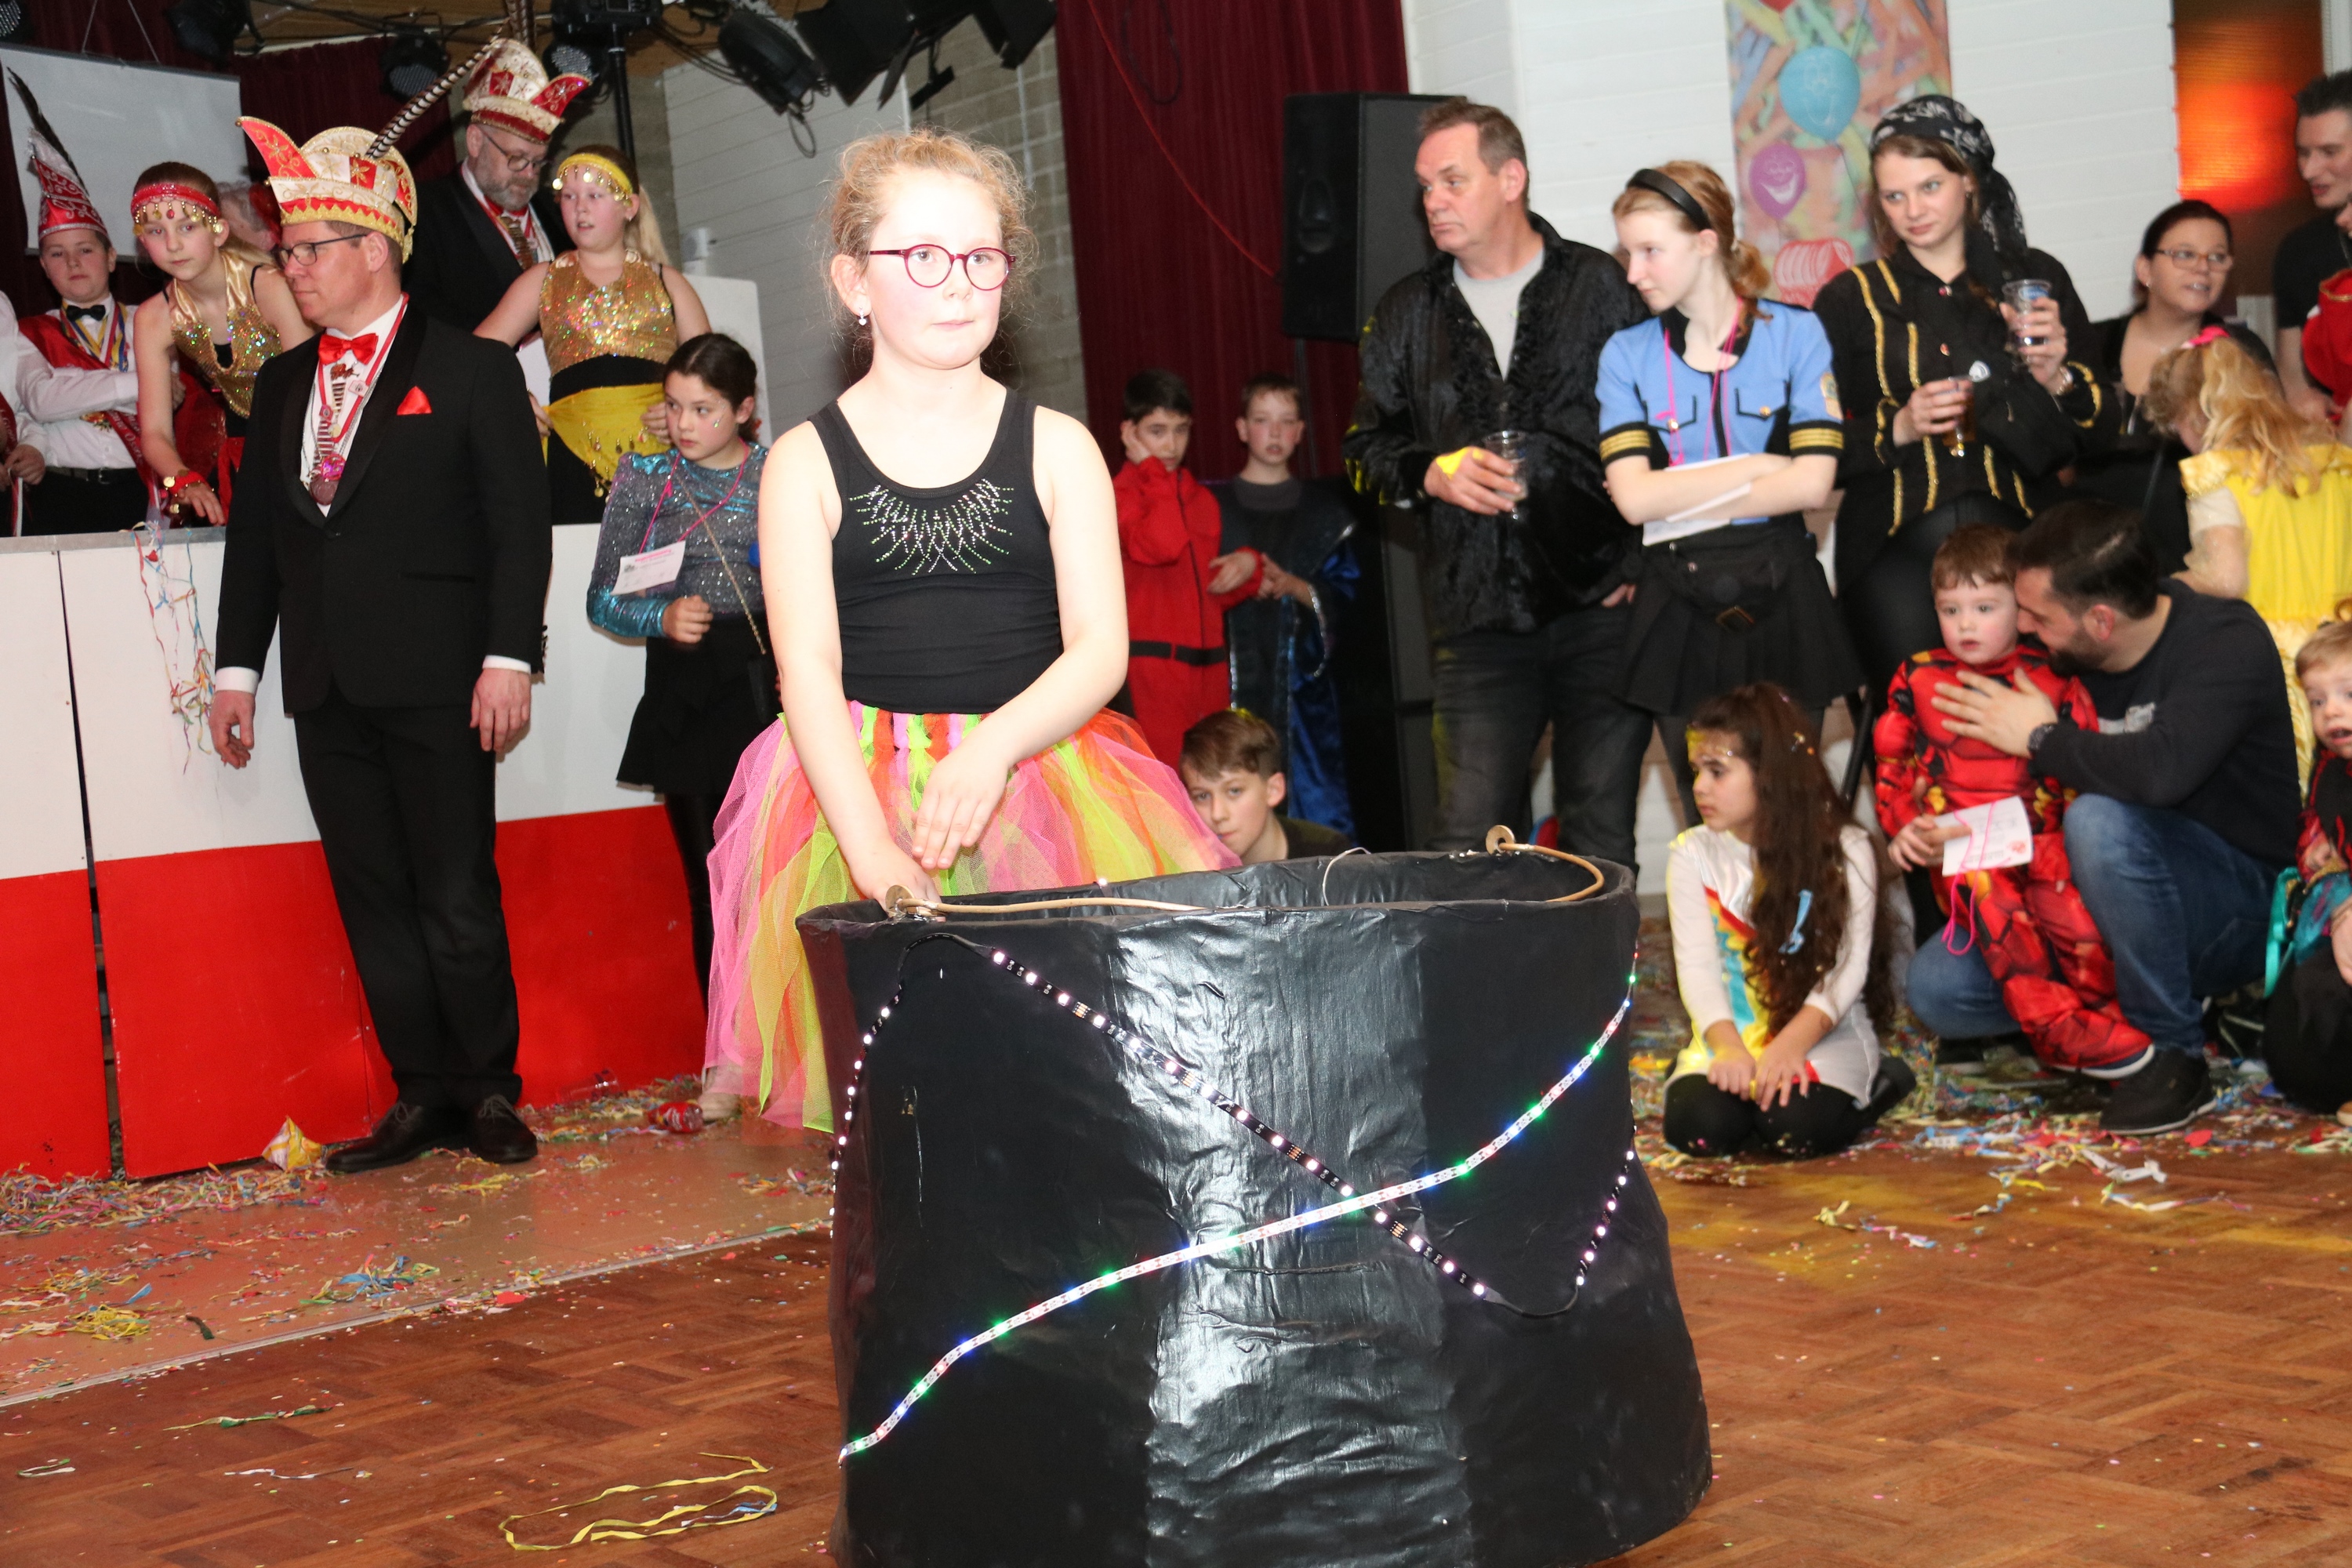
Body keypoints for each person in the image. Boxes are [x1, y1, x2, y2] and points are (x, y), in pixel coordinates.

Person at [700, 128, 1235, 1132]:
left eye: (982, 257)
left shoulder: (1059, 446)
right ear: (854, 281)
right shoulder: (804, 462)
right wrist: (868, 846)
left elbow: (1099, 648)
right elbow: (806, 668)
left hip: (1040, 777)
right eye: (924, 257)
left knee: (1063, 1084)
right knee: (915, 1103)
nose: (958, 284)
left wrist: (992, 748)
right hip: (859, 791)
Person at [209, 114, 553, 1173]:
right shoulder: (281, 384)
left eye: (309, 251)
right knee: (373, 898)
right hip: (325, 681)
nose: (292, 269)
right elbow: (259, 543)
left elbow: (519, 529)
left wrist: (509, 658)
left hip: (445, 677)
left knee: (455, 889)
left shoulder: (472, 367)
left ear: (373, 250)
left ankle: (487, 1088)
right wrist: (236, 671)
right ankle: (421, 1093)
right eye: (288, 253)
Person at [1915, 500, 2300, 1133]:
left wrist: (2041, 739)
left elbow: (2159, 773)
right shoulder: (2052, 658)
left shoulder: (2224, 641)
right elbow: (2025, 805)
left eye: (2039, 617)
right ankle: (2120, 1028)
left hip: (2233, 899)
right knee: (1939, 988)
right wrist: (1952, 831)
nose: (2024, 628)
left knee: (2100, 821)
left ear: (2100, 621)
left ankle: (2173, 1053)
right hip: (2088, 907)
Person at [1342, 97, 1651, 865]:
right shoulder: (1407, 311)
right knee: (1468, 840)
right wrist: (1430, 472)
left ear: (1511, 179)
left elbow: (1663, 429)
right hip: (1475, 621)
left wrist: (1640, 562)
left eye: (1452, 181)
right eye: (1425, 187)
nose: (1433, 201)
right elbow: (1362, 450)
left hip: (1600, 607)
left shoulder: (1600, 285)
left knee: (1601, 837)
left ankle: (1599, 956)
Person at [1813, 95, 2122, 695]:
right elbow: (1809, 447)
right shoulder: (1850, 299)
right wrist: (1898, 427)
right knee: (1914, 721)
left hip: (2030, 554)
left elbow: (2104, 432)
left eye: (1929, 187)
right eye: (1894, 196)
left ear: (1969, 181)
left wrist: (2056, 376)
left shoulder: (2035, 280)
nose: (1912, 211)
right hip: (1892, 551)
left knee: (2037, 722)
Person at [1598, 160, 1860, 819]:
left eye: (1650, 251)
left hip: (1785, 597)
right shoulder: (1625, 355)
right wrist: (1762, 468)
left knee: (1793, 819)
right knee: (1707, 819)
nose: (1633, 272)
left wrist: (1678, 491)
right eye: (1628, 253)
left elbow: (1814, 483)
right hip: (1676, 606)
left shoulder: (1796, 333)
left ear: (1707, 241)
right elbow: (1633, 501)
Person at [1871, 524, 2147, 1073]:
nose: (1966, 624)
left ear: (2021, 610)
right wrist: (1905, 826)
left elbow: (2082, 770)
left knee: (2079, 929)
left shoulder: (2055, 673)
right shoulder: (1918, 676)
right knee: (1998, 912)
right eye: (1951, 610)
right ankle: (2058, 1032)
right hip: (1967, 853)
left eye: (1984, 608)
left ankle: (2116, 1026)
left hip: (2045, 844)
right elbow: (1892, 766)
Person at [586, 333, 769, 1008]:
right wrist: (659, 616)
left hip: (762, 687)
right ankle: (724, 1048)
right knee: (709, 884)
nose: (684, 424)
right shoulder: (645, 477)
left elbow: (816, 587)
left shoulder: (778, 473)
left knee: (776, 875)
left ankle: (791, 1041)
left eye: (703, 409)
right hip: (685, 691)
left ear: (744, 409)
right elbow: (601, 599)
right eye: (673, 406)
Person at [1662, 684, 1913, 1159]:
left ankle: (1884, 1080)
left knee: (1794, 1129)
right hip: (1734, 1031)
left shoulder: (1846, 849)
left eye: (1717, 771)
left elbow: (1847, 968)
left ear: (1770, 773)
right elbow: (1696, 966)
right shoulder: (1691, 854)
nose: (1699, 788)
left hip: (1819, 1032)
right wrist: (1727, 1046)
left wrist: (1791, 1046)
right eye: (1696, 771)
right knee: (1700, 1130)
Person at [2146, 327, 2352, 768]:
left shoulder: (2216, 475)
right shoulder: (2332, 460)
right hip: (2343, 648)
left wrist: (2164, 587)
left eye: (2176, 425)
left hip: (2275, 661)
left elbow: (2227, 579)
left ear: (2195, 417)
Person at [477, 144, 708, 524]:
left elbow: (714, 376)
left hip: (661, 455)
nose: (579, 208)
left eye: (594, 196)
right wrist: (511, 399)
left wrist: (678, 412)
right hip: (571, 457)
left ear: (629, 207)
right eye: (569, 197)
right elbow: (473, 357)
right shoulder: (543, 279)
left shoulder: (667, 282)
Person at [2073, 201, 2274, 574]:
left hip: (2202, 550)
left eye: (2217, 257)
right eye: (2185, 254)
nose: (2203, 267)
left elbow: (2268, 452)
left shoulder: (2240, 352)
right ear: (2145, 269)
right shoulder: (2092, 345)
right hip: (2092, 552)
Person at [1208, 373, 1357, 833]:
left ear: (1300, 432)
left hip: (1302, 698)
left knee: (1310, 813)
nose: (1274, 433)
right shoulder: (1209, 507)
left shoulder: (1327, 516)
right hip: (1227, 681)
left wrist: (1294, 586)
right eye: (1262, 420)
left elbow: (1349, 602)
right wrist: (1236, 576)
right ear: (1241, 428)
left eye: (1286, 421)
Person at [128, 162, 307, 525]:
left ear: (219, 231)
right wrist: (182, 479)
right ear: (143, 242)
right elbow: (155, 433)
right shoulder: (153, 318)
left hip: (310, 441)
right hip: (244, 452)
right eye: (157, 231)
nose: (173, 244)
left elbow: (312, 394)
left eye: (187, 227)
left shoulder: (271, 288)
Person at [1116, 368, 1263, 764]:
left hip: (1210, 672)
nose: (1171, 444)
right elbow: (1162, 546)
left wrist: (1250, 566)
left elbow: (1204, 593)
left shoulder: (1202, 500)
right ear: (1129, 432)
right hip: (1152, 672)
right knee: (1166, 788)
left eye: (1181, 430)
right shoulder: (1118, 494)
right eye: (1157, 431)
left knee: (1216, 779)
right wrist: (1153, 474)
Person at [15, 125, 152, 533]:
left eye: (85, 250)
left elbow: (172, 403)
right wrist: (141, 383)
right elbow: (40, 403)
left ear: (111, 257)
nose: (73, 263)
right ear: (44, 267)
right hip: (62, 494)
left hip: (141, 491)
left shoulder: (151, 320)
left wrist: (70, 387)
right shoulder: (27, 333)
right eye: (57, 254)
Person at [407, 38, 586, 331]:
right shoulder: (424, 212)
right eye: (517, 158)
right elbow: (421, 314)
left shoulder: (556, 211)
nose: (528, 174)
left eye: (538, 162)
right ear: (475, 141)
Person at [2264, 617, 2352, 1119]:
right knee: (2301, 1054)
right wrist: (2316, 848)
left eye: (2348, 694)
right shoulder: (2330, 766)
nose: (2331, 711)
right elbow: (2315, 820)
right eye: (2317, 701)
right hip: (2333, 916)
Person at [2269, 71, 2352, 424]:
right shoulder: (2299, 252)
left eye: (2329, 152)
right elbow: (2291, 373)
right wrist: (2302, 400)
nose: (2308, 171)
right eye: (2303, 153)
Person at [1179, 707, 1358, 865]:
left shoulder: (1329, 856)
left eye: (1234, 791)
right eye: (1202, 796)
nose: (1217, 814)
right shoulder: (1185, 865)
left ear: (1273, 790)